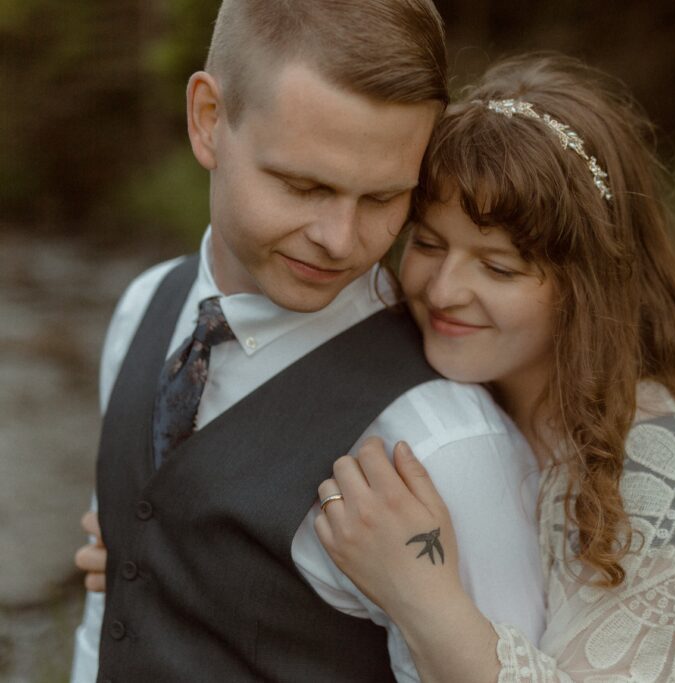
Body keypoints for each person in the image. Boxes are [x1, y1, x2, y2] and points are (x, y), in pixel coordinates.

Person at [69, 2, 546, 681]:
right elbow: (110, 609)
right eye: (304, 185)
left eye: (384, 198)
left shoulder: (440, 441)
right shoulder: (142, 308)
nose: (341, 239)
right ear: (208, 120)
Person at [312, 54, 675, 681]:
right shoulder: (463, 374)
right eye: (428, 243)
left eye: (499, 267)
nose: (443, 289)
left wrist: (419, 592)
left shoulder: (660, 460)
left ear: (588, 289)